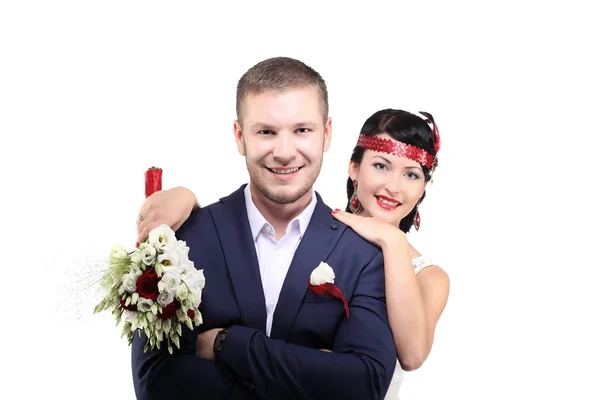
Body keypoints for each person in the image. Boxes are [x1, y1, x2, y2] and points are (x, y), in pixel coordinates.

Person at [131, 56, 397, 400]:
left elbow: (364, 384)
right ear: (240, 137)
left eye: (302, 130)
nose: (285, 152)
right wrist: (309, 376)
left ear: (326, 133)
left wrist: (229, 343)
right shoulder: (183, 237)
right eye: (266, 132)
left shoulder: (363, 253)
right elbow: (156, 382)